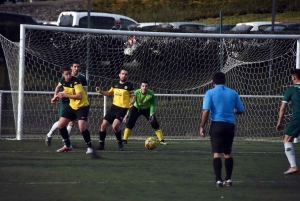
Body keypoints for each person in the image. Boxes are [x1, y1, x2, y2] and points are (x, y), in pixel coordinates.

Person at [199, 72, 244, 187]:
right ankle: (228, 179)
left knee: (217, 153)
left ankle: (218, 180)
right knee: (228, 153)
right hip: (229, 126)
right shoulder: (233, 93)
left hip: (217, 125)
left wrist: (202, 126)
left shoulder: (210, 92)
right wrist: (232, 111)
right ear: (225, 81)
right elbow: (240, 109)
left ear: (213, 82)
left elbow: (206, 111)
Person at [45, 61, 88, 146]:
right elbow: (58, 87)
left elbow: (84, 90)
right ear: (71, 67)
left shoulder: (82, 78)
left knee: (72, 122)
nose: (76, 68)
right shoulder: (65, 76)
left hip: (76, 101)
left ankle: (66, 141)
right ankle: (49, 134)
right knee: (62, 120)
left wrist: (83, 100)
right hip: (66, 100)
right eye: (75, 66)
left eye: (78, 67)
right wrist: (55, 97)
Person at [53, 65, 93, 154]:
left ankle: (90, 147)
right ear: (63, 75)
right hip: (72, 106)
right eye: (66, 74)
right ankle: (67, 145)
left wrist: (65, 95)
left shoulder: (76, 81)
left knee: (82, 128)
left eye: (69, 74)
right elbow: (63, 91)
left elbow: (79, 96)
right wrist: (55, 97)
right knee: (61, 125)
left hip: (82, 106)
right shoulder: (63, 81)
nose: (69, 76)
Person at [95, 68, 134, 151]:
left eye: (126, 74)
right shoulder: (115, 84)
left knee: (115, 126)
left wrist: (132, 102)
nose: (124, 75)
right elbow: (109, 93)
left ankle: (120, 143)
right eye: (122, 74)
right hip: (113, 107)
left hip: (122, 109)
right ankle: (101, 145)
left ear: (127, 76)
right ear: (119, 75)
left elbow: (133, 97)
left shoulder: (130, 86)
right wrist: (100, 91)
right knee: (103, 125)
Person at [123, 80, 167, 145]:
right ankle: (124, 140)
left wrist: (152, 113)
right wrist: (127, 113)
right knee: (130, 123)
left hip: (147, 109)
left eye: (146, 86)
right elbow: (130, 103)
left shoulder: (151, 94)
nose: (144, 87)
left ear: (148, 87)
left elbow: (152, 104)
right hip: (136, 108)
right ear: (140, 86)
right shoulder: (136, 93)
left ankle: (161, 140)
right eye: (143, 86)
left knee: (154, 123)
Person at [276, 69, 300, 175]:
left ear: (294, 77)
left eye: (291, 77)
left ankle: (293, 166)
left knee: (287, 140)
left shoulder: (291, 89)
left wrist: (279, 122)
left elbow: (283, 108)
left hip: (298, 117)